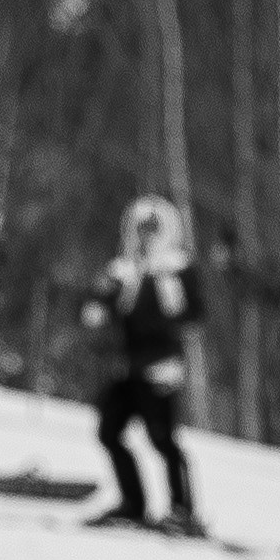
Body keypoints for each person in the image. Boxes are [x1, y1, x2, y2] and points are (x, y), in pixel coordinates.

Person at [81, 196, 208, 536]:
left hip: (160, 366)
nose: (146, 236)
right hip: (127, 367)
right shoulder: (125, 268)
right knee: (109, 431)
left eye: (153, 229)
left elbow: (193, 314)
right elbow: (100, 303)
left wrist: (170, 294)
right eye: (141, 229)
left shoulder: (176, 268)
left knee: (162, 439)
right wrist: (98, 304)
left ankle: (183, 510)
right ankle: (133, 504)